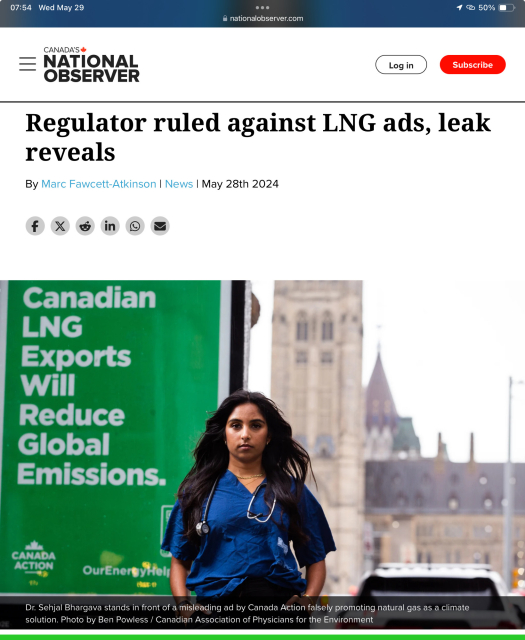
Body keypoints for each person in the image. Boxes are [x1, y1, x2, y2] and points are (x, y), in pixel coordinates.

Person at [161, 389, 336, 629]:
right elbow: (180, 561)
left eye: (255, 426)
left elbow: (316, 558)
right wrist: (185, 608)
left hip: (277, 615)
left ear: (269, 436)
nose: (245, 434)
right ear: (224, 435)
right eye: (235, 425)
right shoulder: (197, 492)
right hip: (215, 617)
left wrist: (307, 603)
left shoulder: (292, 491)